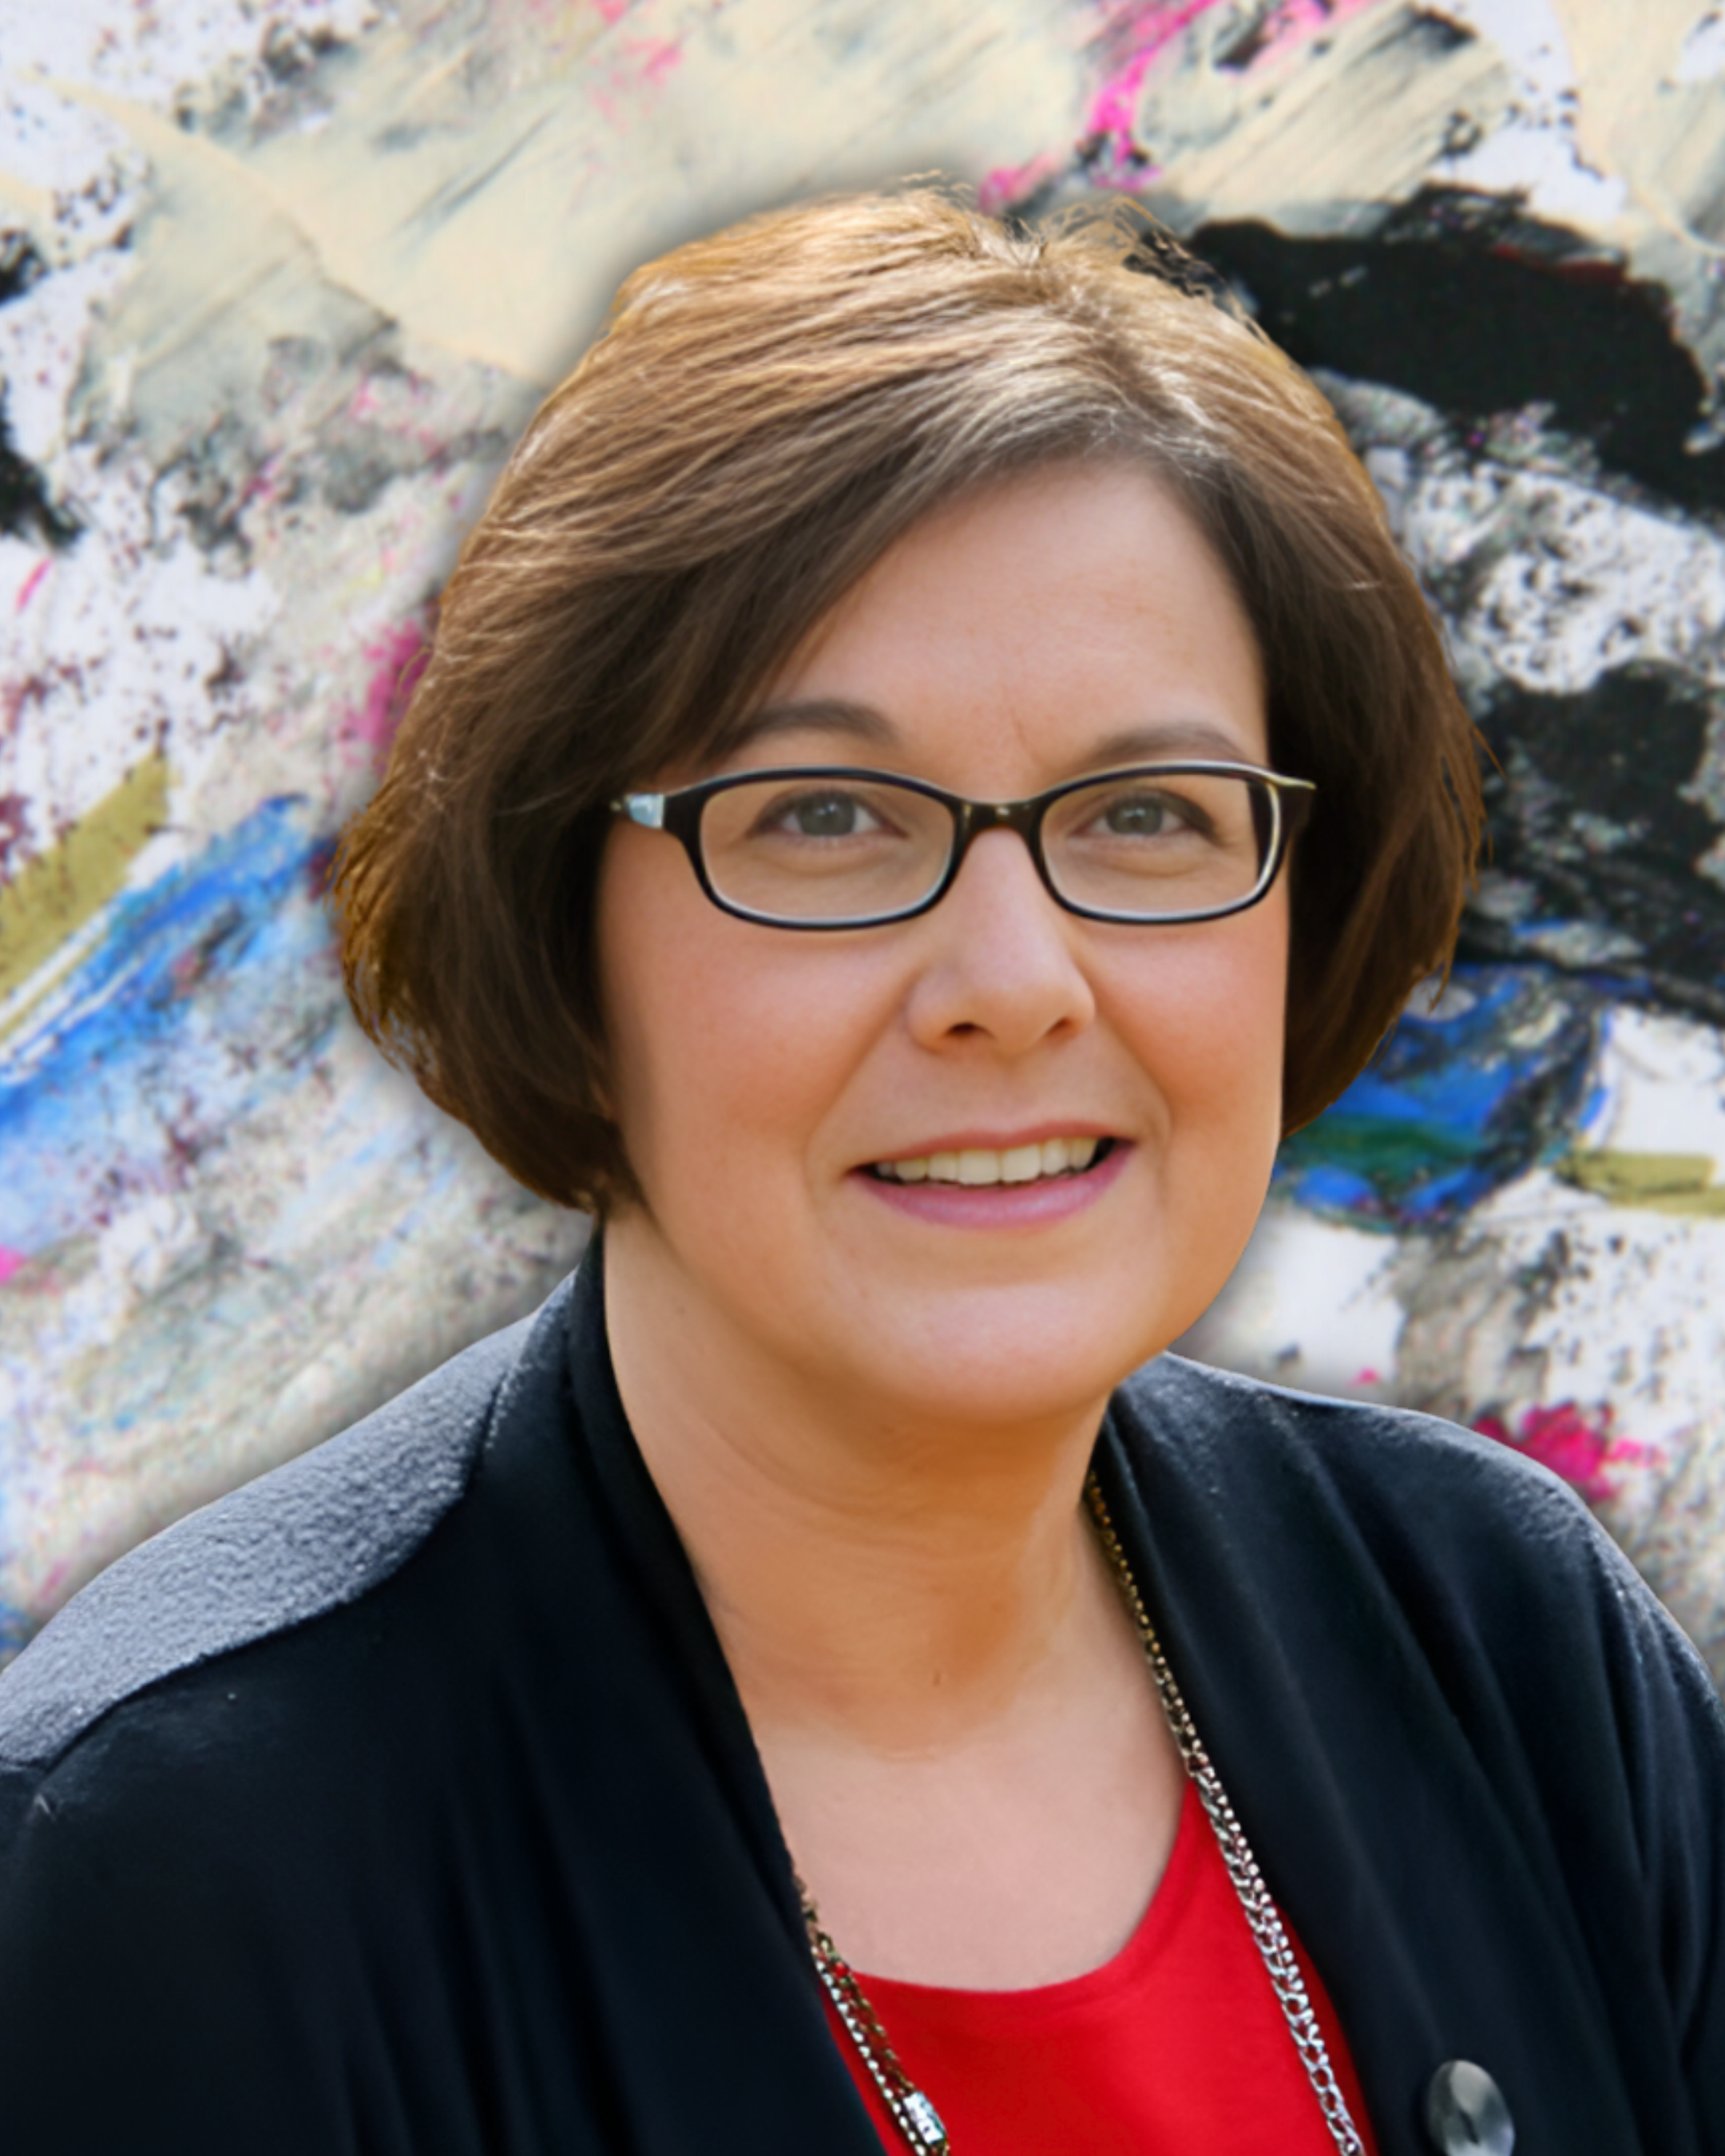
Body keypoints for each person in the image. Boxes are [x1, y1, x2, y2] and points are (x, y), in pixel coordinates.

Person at [0, 188, 1719, 2156]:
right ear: (564, 930)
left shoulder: (1505, 1644)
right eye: (824, 816)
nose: (1014, 981)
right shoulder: (183, 1865)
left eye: (1149, 813)